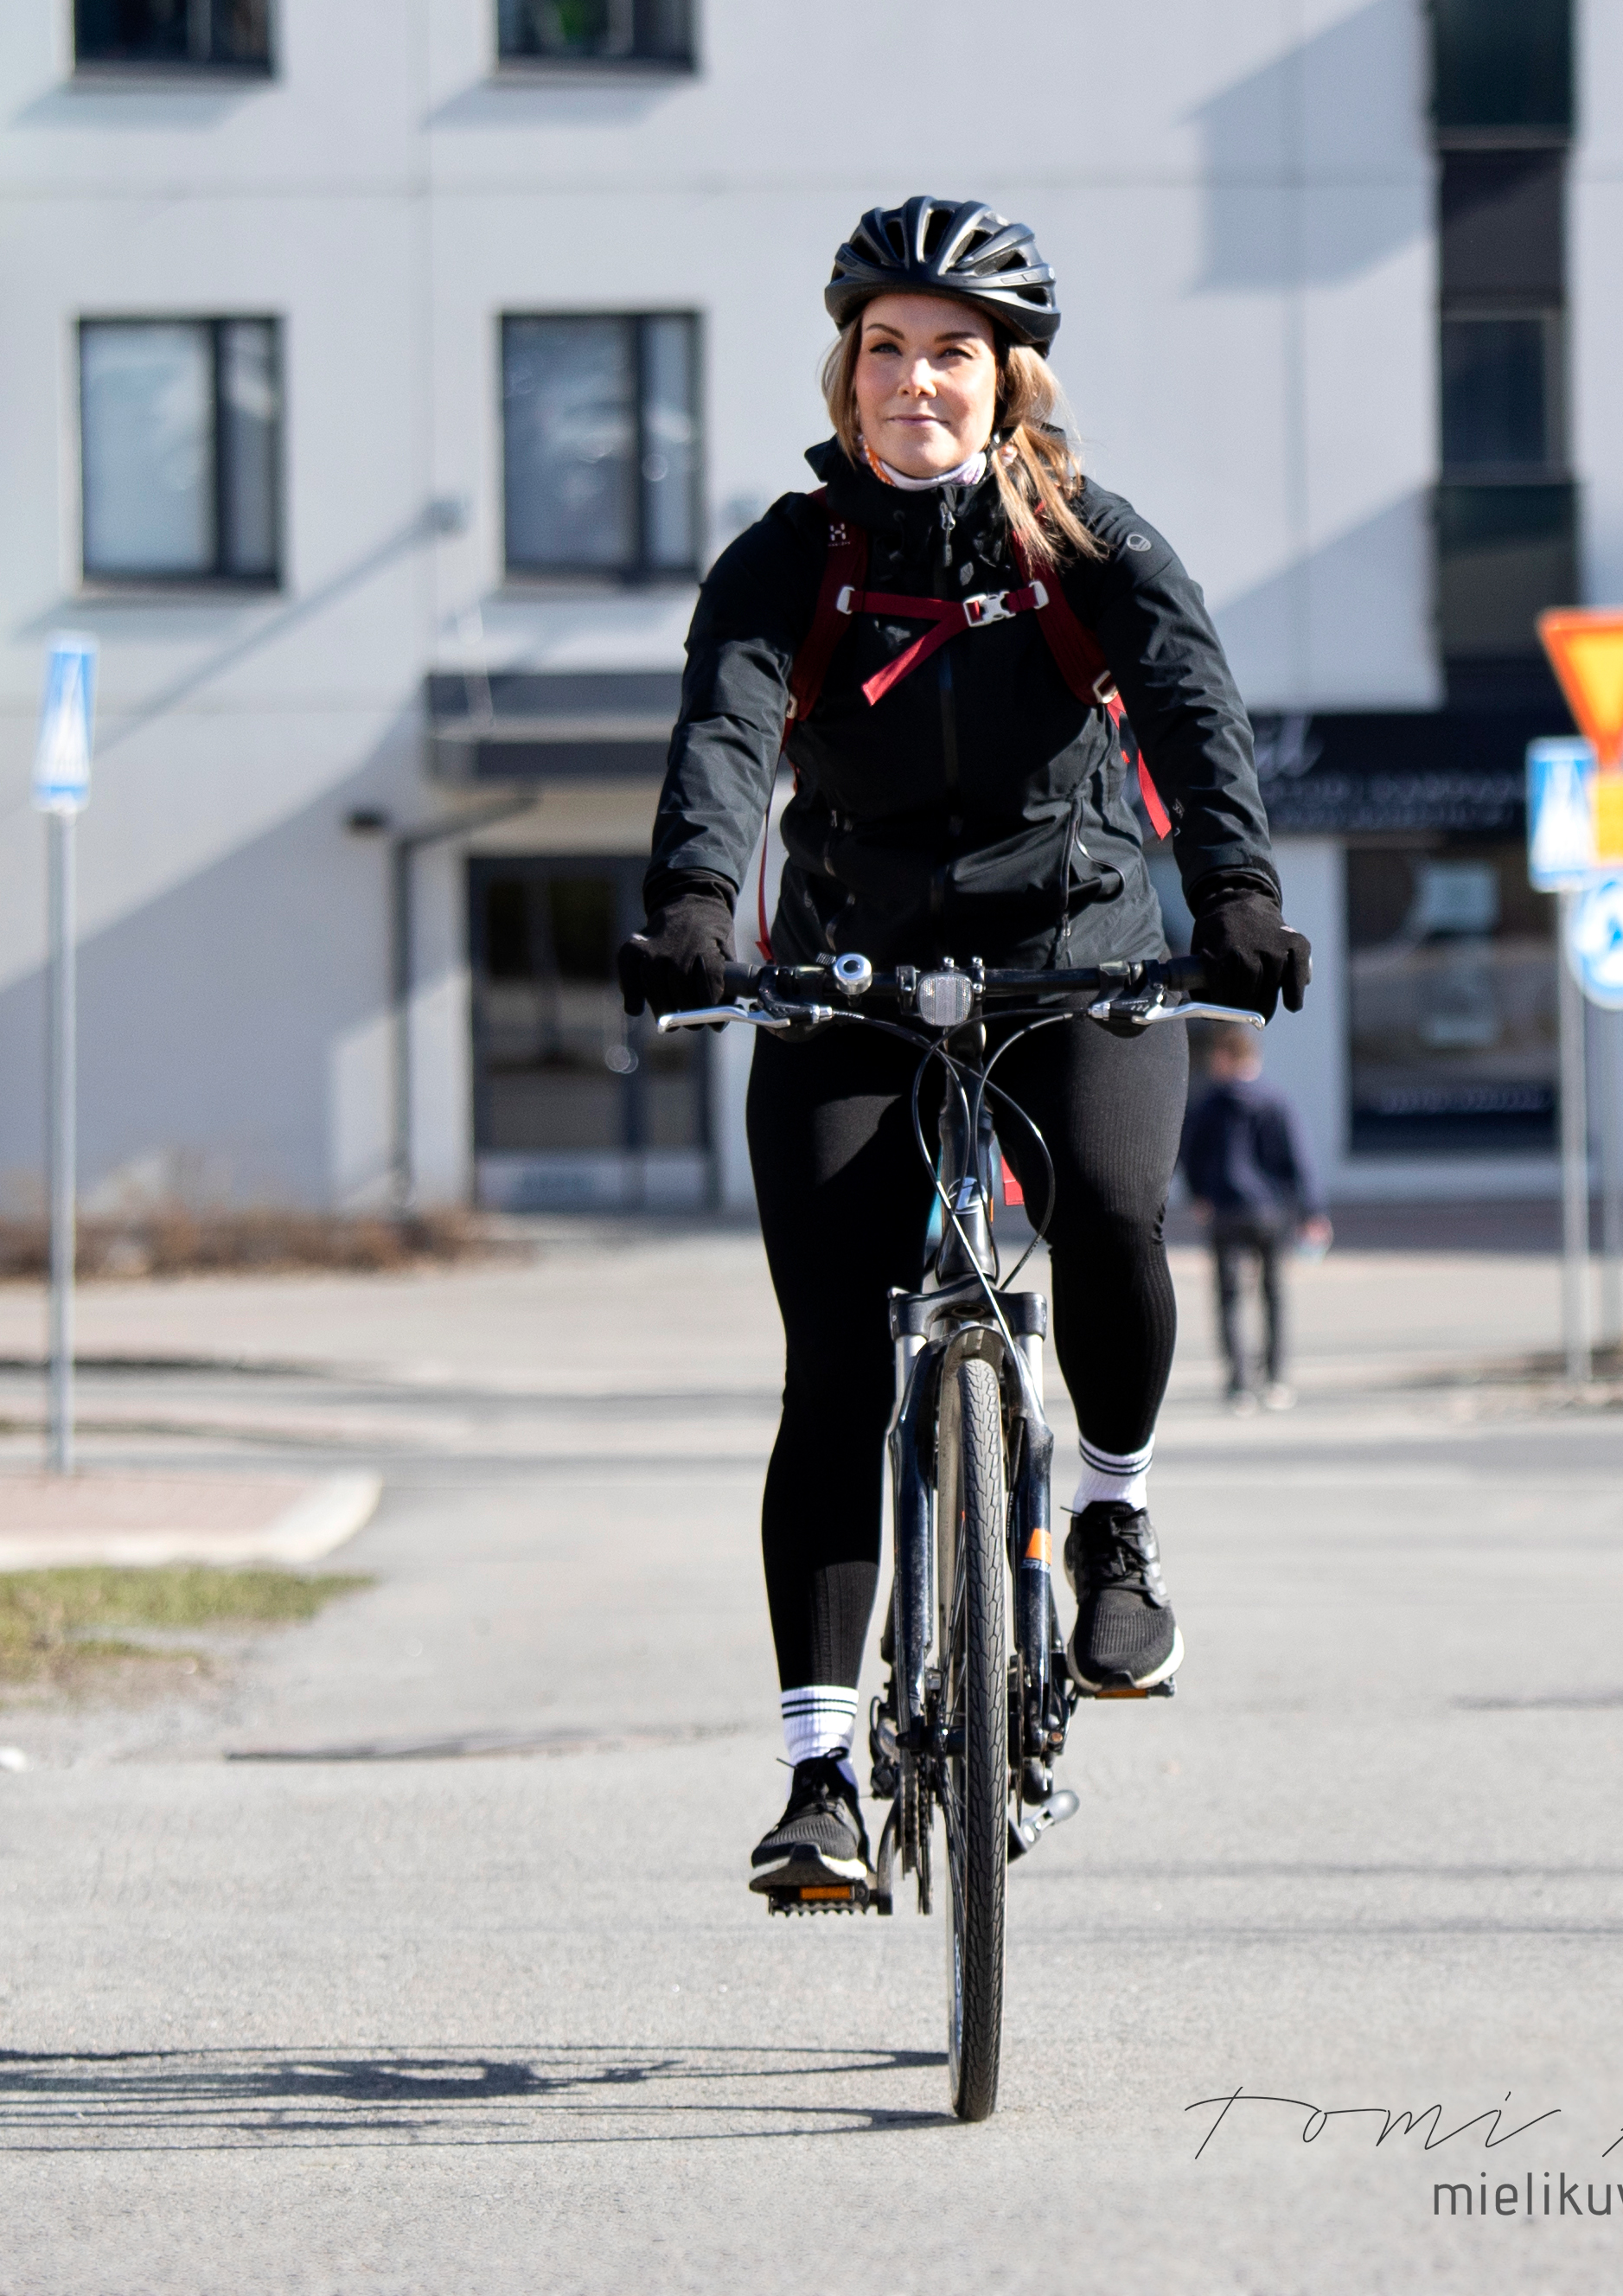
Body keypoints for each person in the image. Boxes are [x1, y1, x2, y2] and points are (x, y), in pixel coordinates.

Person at [618, 196, 1308, 1894]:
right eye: (883, 349)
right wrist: (700, 904)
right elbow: (723, 732)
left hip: (1070, 946)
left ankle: (1115, 1513)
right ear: (846, 369)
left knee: (1117, 1216)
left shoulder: (1087, 539)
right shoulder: (794, 552)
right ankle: (821, 1773)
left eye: (949, 352)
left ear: (1010, 379)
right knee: (836, 1368)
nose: (912, 380)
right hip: (849, 968)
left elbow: (1193, 713)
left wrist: (1233, 892)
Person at [1181, 1025, 1332, 1410]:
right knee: (1274, 1295)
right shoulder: (1275, 1101)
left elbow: (1190, 1153)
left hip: (1226, 1209)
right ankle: (1276, 1379)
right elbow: (1298, 1157)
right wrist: (1311, 1210)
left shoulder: (1210, 1104)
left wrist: (1198, 1194)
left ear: (1226, 1058)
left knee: (1229, 1297)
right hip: (1269, 1210)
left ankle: (1238, 1383)